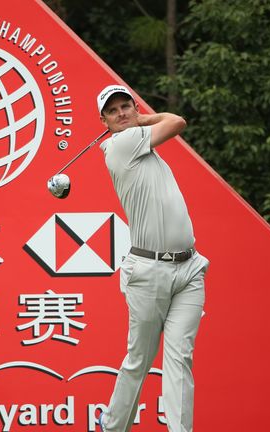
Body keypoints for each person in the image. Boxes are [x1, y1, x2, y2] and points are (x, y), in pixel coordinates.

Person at [96, 85, 209, 432]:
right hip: (149, 272)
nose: (122, 113)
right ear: (105, 122)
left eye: (126, 106)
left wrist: (138, 121)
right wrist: (143, 120)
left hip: (190, 269)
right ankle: (114, 427)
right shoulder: (121, 145)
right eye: (113, 111)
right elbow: (177, 121)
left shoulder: (143, 145)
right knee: (140, 361)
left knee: (180, 359)